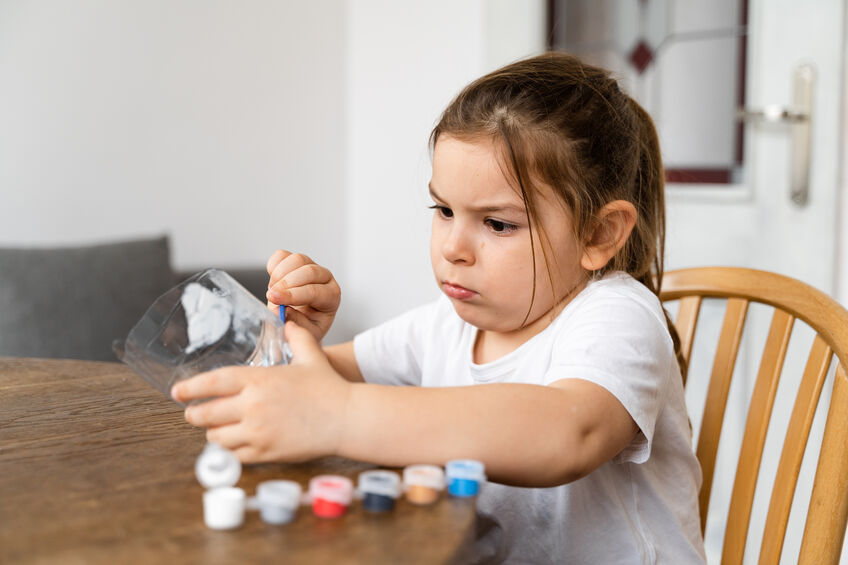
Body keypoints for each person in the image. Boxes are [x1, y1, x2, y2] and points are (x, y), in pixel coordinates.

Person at [172, 52, 706, 563]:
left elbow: (569, 434)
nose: (453, 246)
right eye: (444, 210)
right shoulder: (445, 325)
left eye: (497, 224)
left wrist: (339, 415)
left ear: (599, 232)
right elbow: (303, 387)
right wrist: (299, 341)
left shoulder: (618, 315)